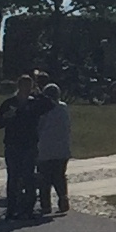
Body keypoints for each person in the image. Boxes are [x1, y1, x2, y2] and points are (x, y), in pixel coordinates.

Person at [0, 78, 45, 219]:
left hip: (29, 145)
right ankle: (11, 208)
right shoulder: (9, 103)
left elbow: (50, 105)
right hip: (13, 144)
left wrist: (39, 93)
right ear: (19, 86)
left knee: (29, 177)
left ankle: (28, 208)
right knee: (13, 177)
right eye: (24, 86)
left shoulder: (34, 103)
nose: (26, 89)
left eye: (29, 86)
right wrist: (6, 117)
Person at [38, 82, 75, 214]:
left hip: (45, 148)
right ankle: (63, 198)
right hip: (62, 148)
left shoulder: (42, 110)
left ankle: (45, 204)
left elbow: (39, 127)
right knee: (59, 176)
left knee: (44, 178)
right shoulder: (63, 108)